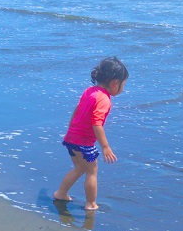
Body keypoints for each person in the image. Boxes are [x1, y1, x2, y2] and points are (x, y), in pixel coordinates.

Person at [53, 56, 129, 211]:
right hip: (84, 142)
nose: (123, 89)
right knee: (92, 171)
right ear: (115, 83)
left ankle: (61, 193)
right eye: (123, 85)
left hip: (71, 138)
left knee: (79, 168)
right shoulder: (104, 99)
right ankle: (91, 204)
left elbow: (77, 109)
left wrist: (71, 129)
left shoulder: (89, 91)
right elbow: (97, 123)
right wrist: (105, 146)